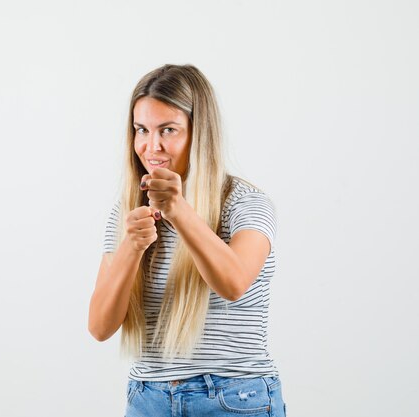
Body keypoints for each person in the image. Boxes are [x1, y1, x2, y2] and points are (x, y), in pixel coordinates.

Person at [88, 64, 287, 417]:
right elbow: (100, 327)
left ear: (200, 133)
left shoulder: (245, 204)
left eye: (169, 130)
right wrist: (132, 247)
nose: (152, 146)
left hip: (233, 397)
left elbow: (234, 282)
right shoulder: (128, 211)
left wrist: (179, 211)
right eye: (141, 130)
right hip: (148, 398)